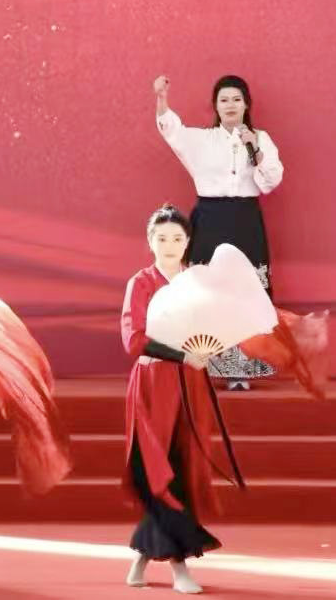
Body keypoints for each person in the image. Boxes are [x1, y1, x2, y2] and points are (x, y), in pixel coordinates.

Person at [122, 204, 239, 595]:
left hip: (190, 383)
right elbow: (134, 340)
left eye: (176, 238)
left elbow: (211, 326)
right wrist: (181, 355)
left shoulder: (198, 281)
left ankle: (142, 557)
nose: (169, 245)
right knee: (161, 468)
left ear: (187, 242)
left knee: (183, 465)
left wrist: (211, 346)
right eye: (162, 238)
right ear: (150, 241)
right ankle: (179, 566)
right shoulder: (141, 282)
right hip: (153, 384)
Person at [153, 73, 283, 389]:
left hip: (245, 219)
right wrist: (162, 99)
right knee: (208, 293)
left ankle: (240, 370)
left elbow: (271, 181)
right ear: (215, 105)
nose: (230, 105)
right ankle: (206, 366)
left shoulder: (260, 138)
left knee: (245, 292)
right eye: (224, 100)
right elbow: (172, 130)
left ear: (246, 104)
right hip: (211, 219)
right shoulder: (202, 140)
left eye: (236, 99)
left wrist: (256, 150)